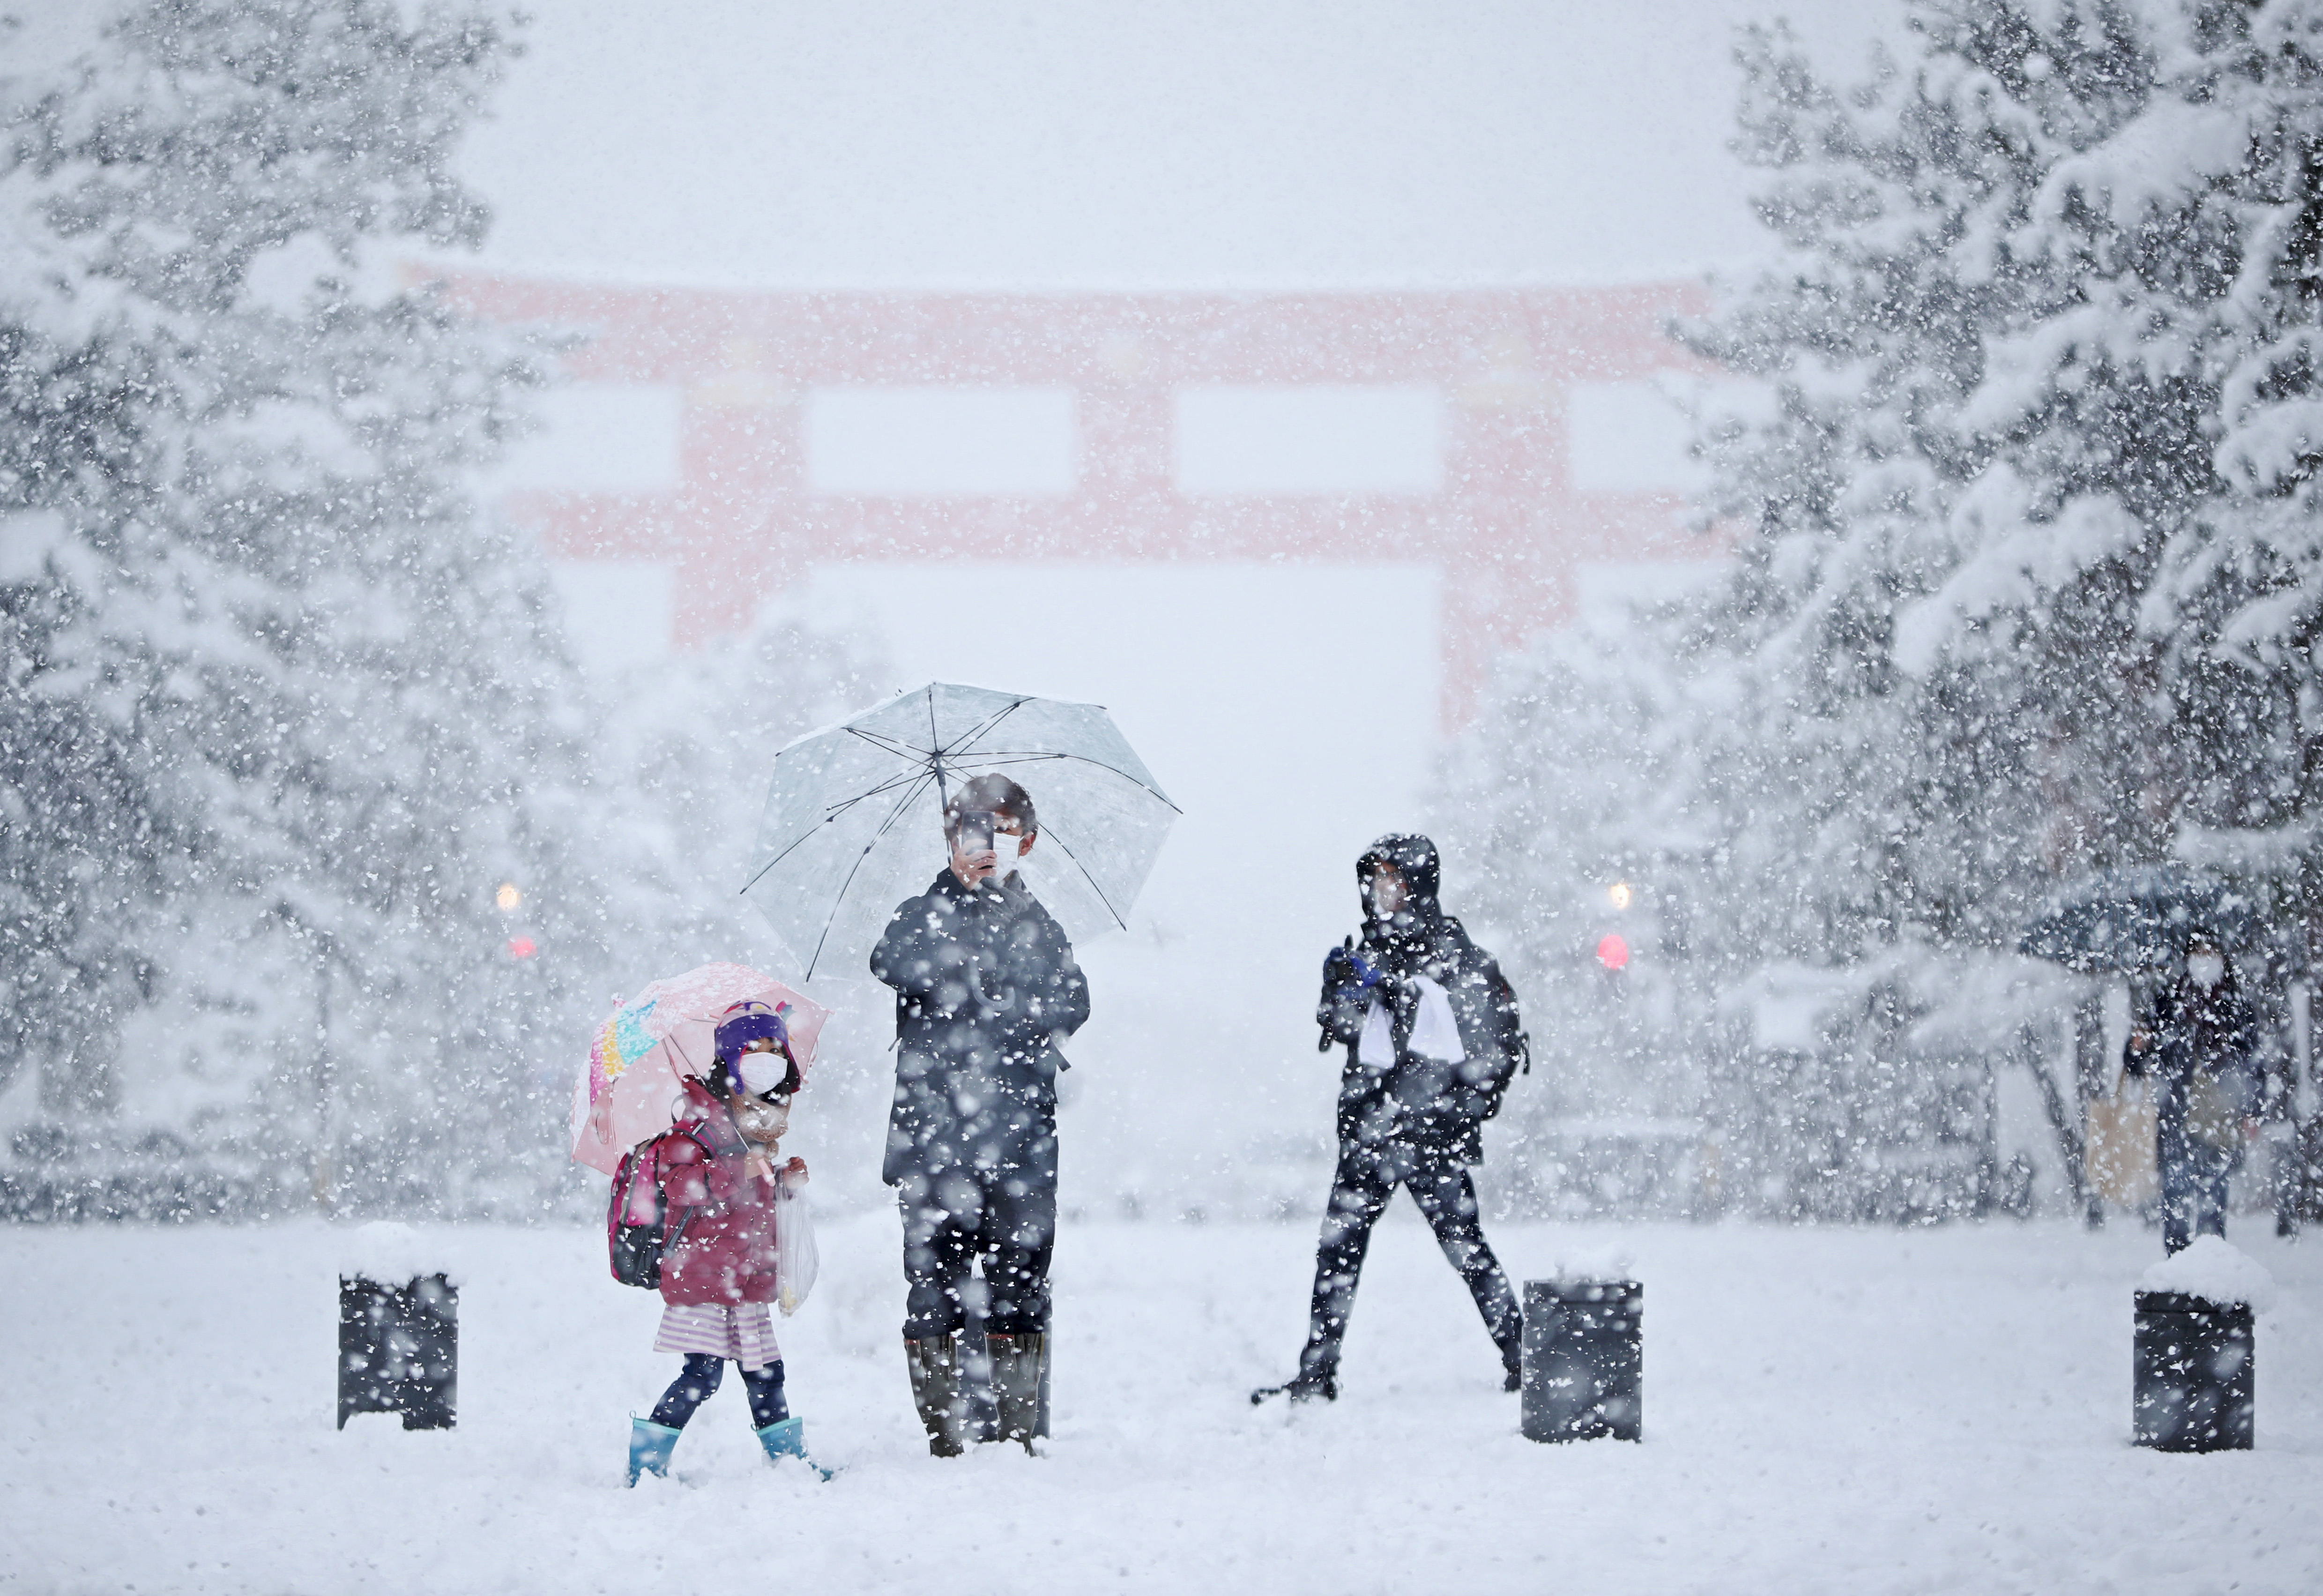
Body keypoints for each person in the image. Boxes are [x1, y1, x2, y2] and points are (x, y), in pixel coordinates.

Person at [1255, 834, 1528, 1404]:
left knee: (1464, 1246)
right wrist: (1339, 992)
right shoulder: (1369, 948)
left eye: (1391, 880)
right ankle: (1317, 1371)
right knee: (1338, 1251)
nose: (1380, 891)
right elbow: (1345, 1032)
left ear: (1417, 885)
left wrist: (1402, 997)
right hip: (1369, 1131)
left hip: (1429, 1133)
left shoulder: (1452, 951)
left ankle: (1522, 1355)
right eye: (1374, 880)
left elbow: (1453, 1042)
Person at [870, 775, 1089, 1454]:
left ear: (1025, 840)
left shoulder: (1040, 925)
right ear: (948, 841)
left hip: (1021, 1141)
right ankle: (947, 1436)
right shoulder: (920, 916)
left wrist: (1011, 979)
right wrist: (967, 938)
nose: (981, 846)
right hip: (933, 1142)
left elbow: (1073, 1001)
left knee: (1019, 1284)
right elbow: (892, 961)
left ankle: (1017, 1431)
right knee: (932, 1287)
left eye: (997, 831)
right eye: (968, 831)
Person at [625, 1000, 823, 1484]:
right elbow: (681, 1187)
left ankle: (788, 1463)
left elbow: (745, 1194)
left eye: (775, 1049)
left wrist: (781, 1179)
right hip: (704, 1276)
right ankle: (646, 1467)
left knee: (765, 1373)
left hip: (745, 1274)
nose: (767, 1058)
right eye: (755, 1049)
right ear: (732, 1055)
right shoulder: (695, 1124)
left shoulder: (751, 1122)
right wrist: (739, 1167)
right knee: (701, 1376)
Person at [2124, 934, 2261, 1255]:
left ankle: (2209, 1272)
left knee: (2214, 1202)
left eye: (2211, 953)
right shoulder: (2168, 1001)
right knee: (2176, 1199)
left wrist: (2253, 1109)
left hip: (2221, 1116)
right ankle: (2178, 1275)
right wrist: (2138, 1047)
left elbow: (2254, 1064)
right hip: (2177, 1114)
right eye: (2198, 953)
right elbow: (2136, 1063)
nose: (2204, 960)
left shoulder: (2236, 1004)